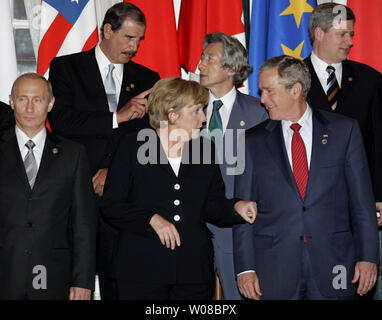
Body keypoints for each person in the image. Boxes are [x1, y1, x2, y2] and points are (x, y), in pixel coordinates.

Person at [233, 55, 379, 300]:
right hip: (274, 268)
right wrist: (246, 268)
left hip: (336, 265)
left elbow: (362, 203)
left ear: (295, 90)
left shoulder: (344, 131)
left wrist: (368, 257)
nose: (263, 99)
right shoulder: (251, 141)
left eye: (269, 91)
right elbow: (243, 210)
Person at [101, 77, 257, 300]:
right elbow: (111, 206)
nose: (204, 118)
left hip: (192, 271)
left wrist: (236, 207)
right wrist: (151, 219)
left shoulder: (204, 148)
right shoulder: (131, 146)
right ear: (172, 115)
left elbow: (212, 205)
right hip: (141, 269)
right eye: (196, 111)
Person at [48, 2, 160, 299]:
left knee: (121, 281)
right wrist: (117, 117)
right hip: (75, 191)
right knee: (75, 280)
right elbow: (61, 122)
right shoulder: (66, 67)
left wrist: (117, 174)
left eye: (139, 39)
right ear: (107, 30)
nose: (134, 47)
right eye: (128, 37)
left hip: (123, 196)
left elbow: (150, 138)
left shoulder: (148, 78)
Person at [0, 73, 97, 299]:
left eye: (38, 99)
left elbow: (84, 224)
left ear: (51, 103)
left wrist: (83, 281)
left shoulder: (73, 154)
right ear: (11, 102)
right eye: (23, 99)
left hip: (54, 276)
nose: (30, 108)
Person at [198, 32, 268, 300]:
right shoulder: (185, 108)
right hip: (191, 229)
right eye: (202, 57)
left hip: (236, 232)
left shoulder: (258, 113)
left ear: (232, 68)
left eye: (209, 58)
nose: (200, 65)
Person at [305, 2, 382, 224]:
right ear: (319, 33)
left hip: (357, 198)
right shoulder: (291, 78)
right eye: (342, 34)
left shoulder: (370, 80)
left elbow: (378, 141)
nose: (350, 41)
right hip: (306, 200)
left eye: (351, 34)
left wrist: (380, 194)